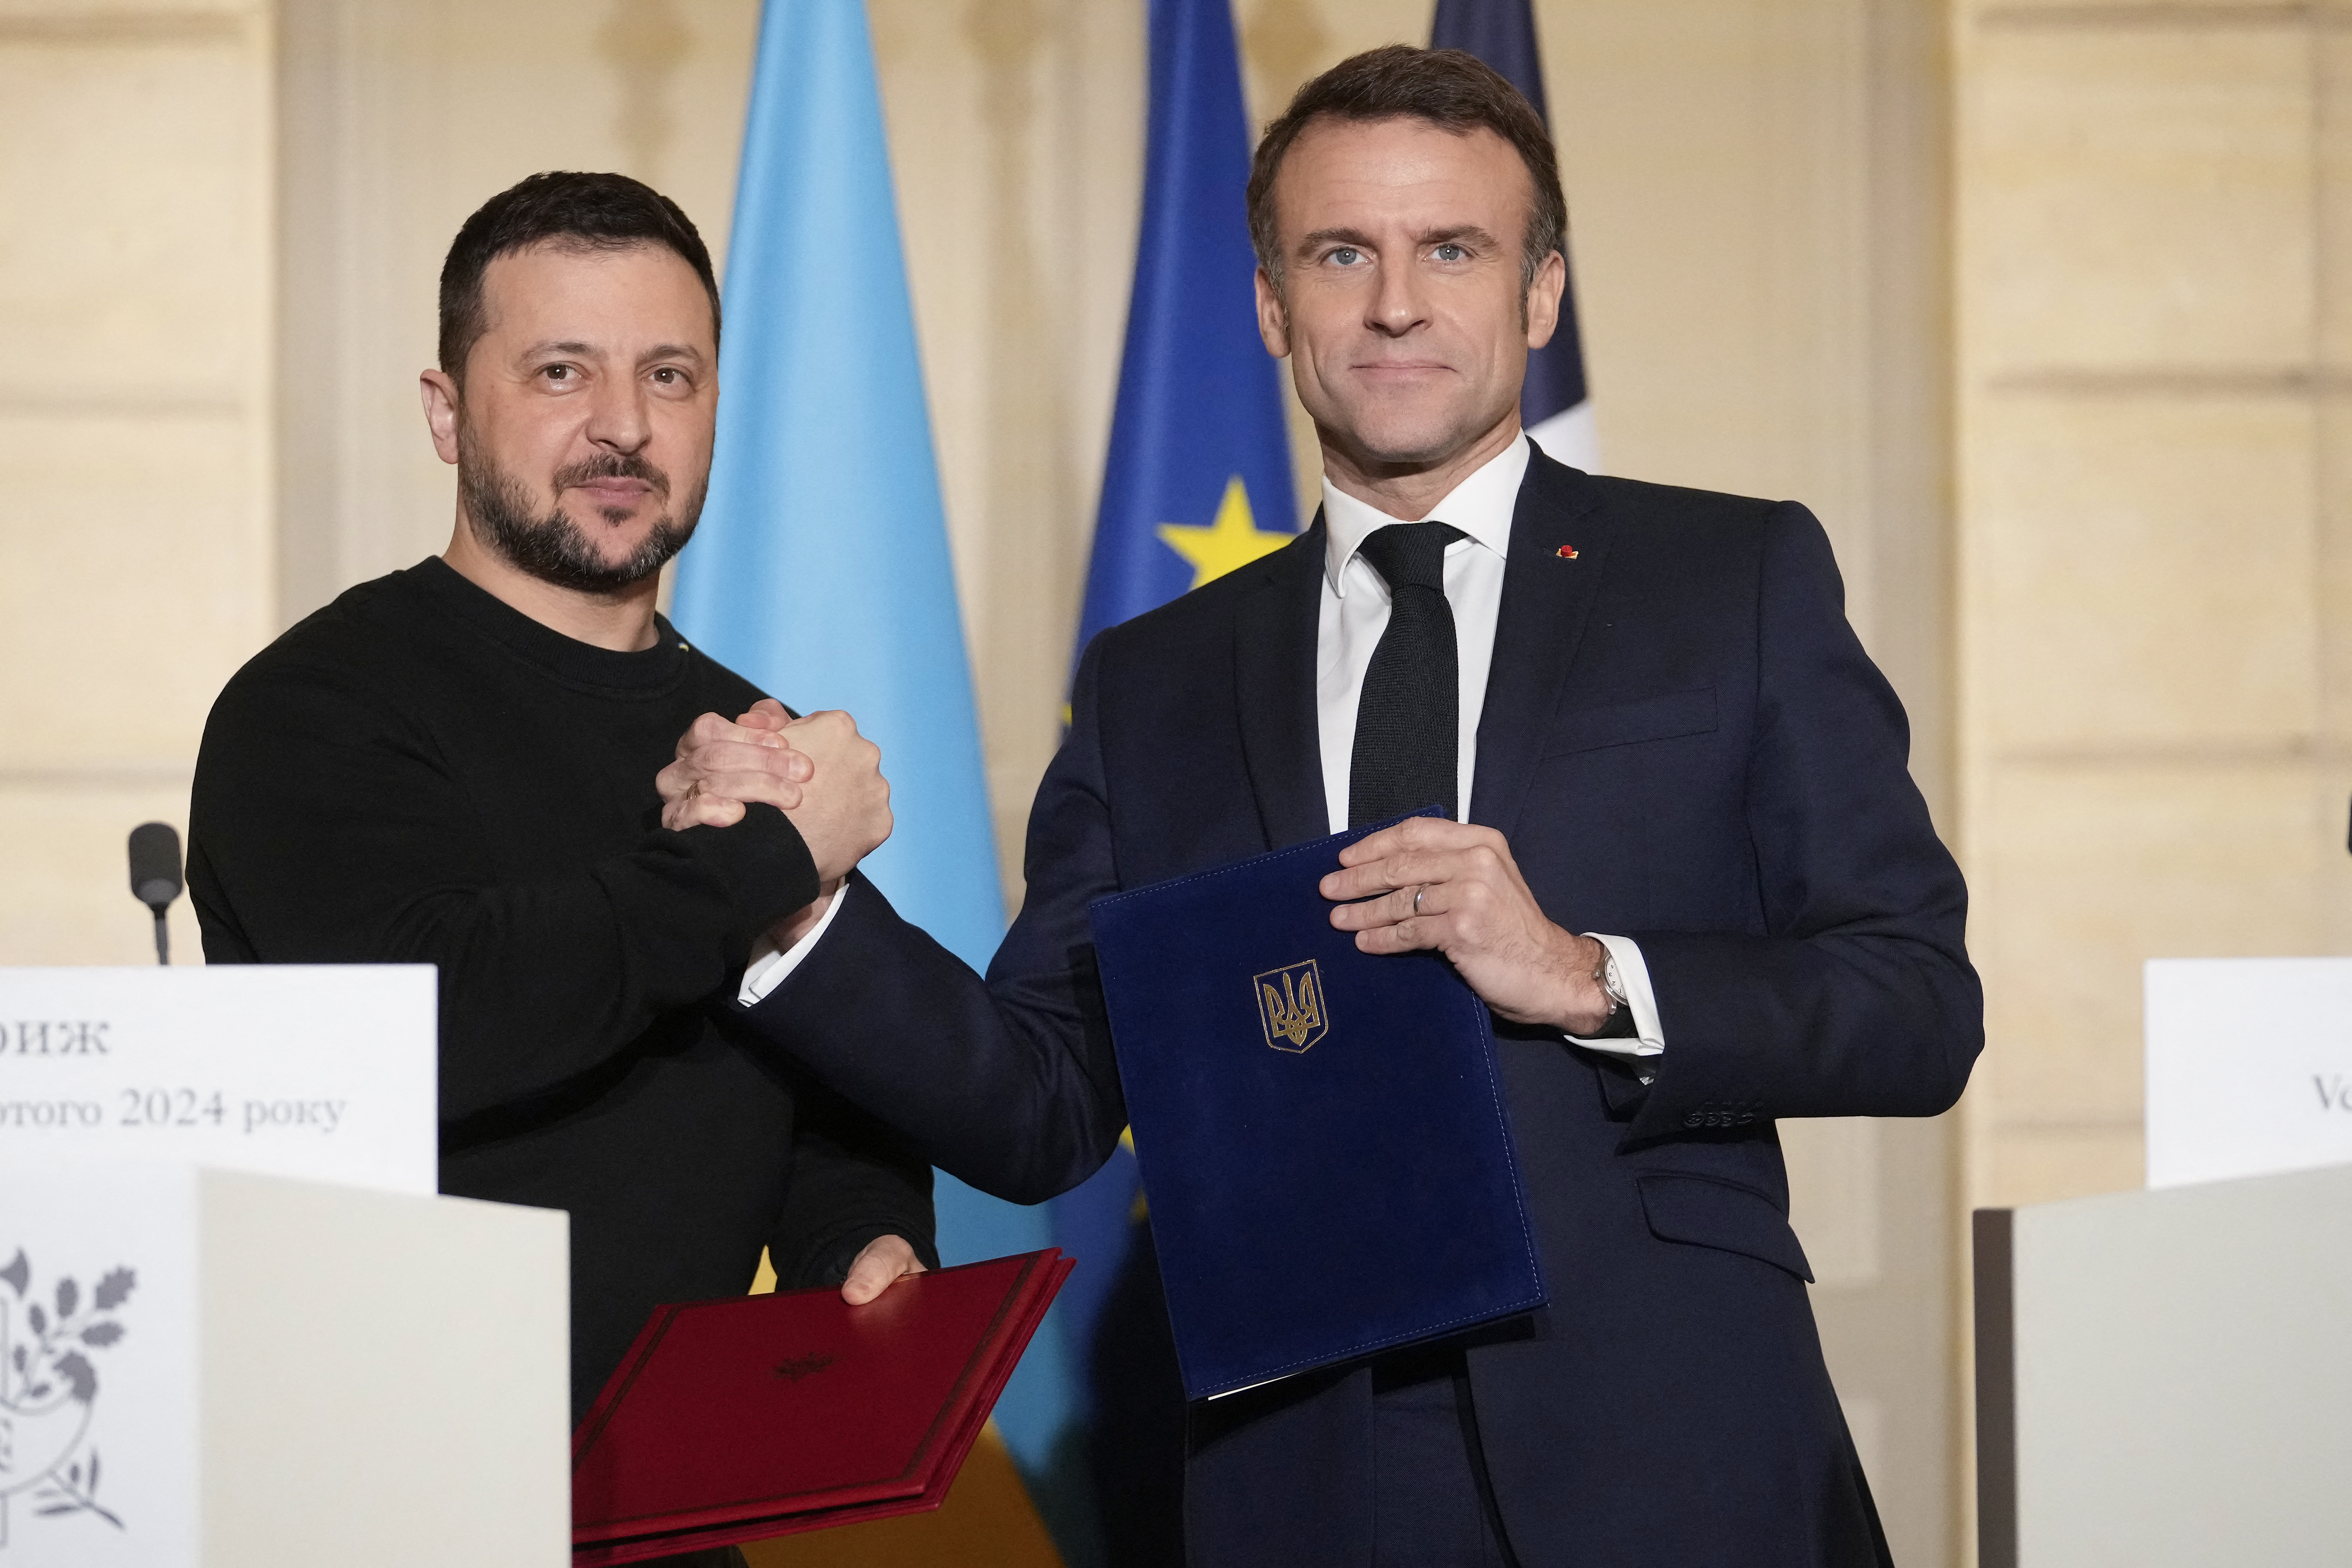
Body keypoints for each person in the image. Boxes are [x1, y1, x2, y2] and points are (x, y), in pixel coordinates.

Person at [678, 46, 1981, 1568]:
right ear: (1270, 306)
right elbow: (1042, 1101)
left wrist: (1581, 971)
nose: (1398, 304)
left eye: (1455, 251)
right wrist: (803, 908)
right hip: (1303, 1470)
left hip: (1674, 1447)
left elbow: (1917, 1004)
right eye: (1341, 254)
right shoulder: (1155, 678)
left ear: (1541, 294)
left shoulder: (1734, 580)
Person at [187, 174, 932, 1493]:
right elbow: (427, 1020)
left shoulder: (742, 732)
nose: (623, 428)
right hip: (379, 1502)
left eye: (670, 376)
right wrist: (761, 855)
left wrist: (854, 1240)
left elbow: (826, 1089)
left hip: (679, 1492)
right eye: (558, 373)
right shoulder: (313, 708)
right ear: (444, 413)